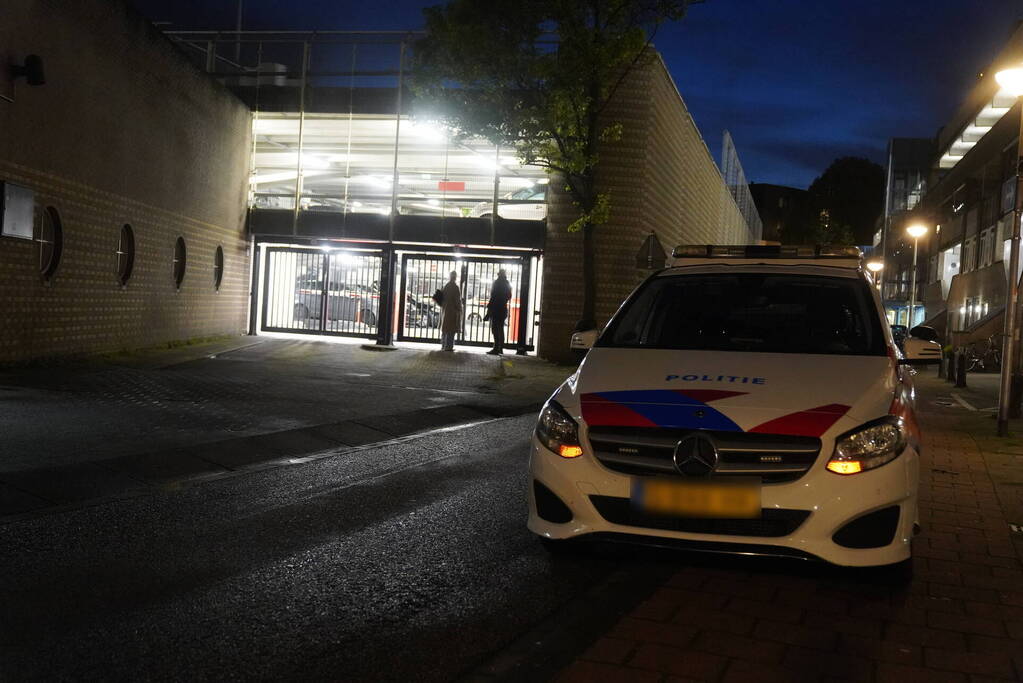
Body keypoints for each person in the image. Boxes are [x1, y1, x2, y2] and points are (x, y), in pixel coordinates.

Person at [485, 269, 513, 355]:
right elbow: (509, 296)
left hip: (496, 308)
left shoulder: (496, 283)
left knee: (495, 329)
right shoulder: (507, 283)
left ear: (498, 274)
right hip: (503, 308)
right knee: (500, 329)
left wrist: (489, 310)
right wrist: (503, 300)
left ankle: (496, 348)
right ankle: (500, 348)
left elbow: (493, 296)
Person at [439, 270, 462, 351]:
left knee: (445, 329)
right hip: (452, 311)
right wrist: (459, 309)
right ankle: (449, 346)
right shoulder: (455, 287)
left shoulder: (446, 286)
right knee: (451, 329)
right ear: (455, 277)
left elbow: (441, 298)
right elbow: (457, 300)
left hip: (445, 310)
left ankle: (443, 345)